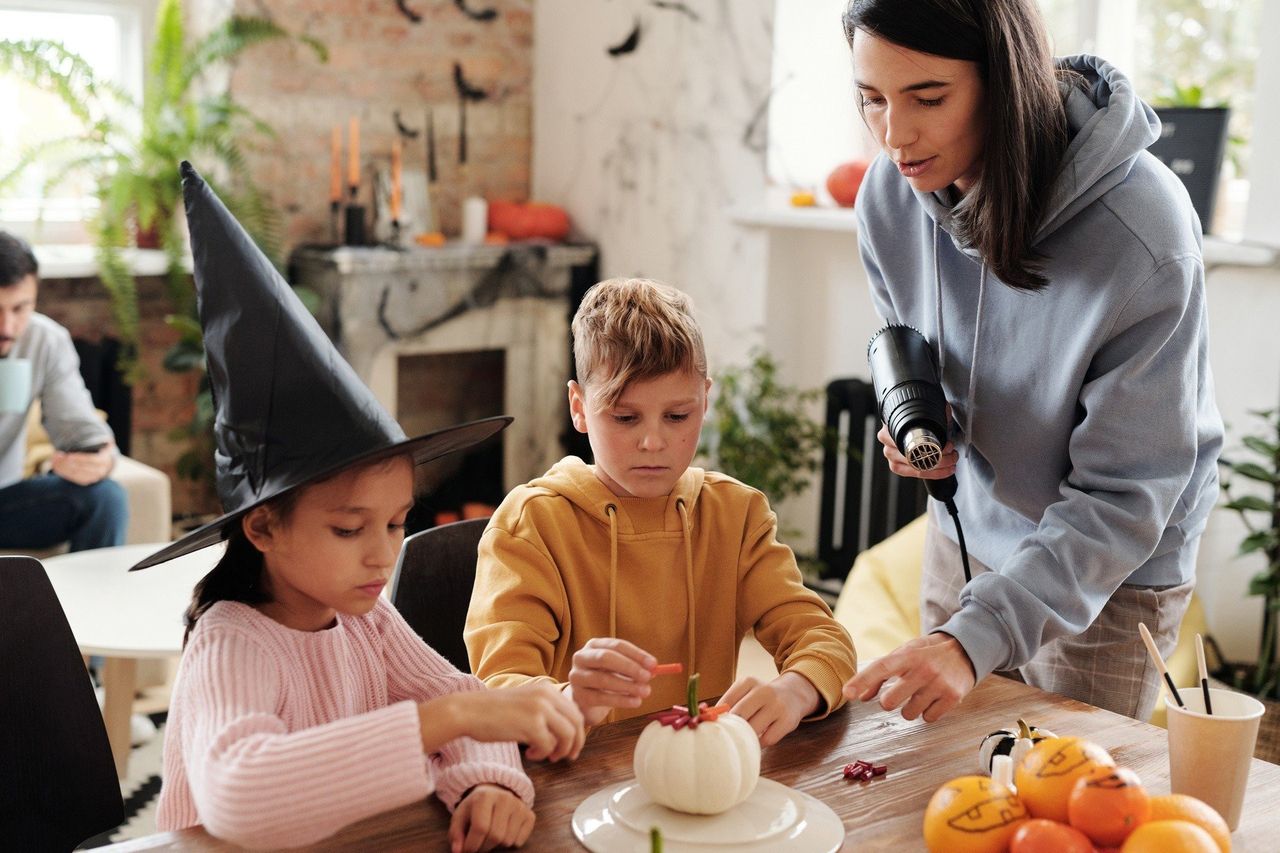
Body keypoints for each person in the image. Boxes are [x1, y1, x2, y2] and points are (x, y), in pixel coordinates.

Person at [150, 163, 585, 852]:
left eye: (396, 520)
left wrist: (486, 784)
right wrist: (447, 717)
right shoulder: (233, 642)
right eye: (349, 527)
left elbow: (467, 703)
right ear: (262, 524)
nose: (383, 553)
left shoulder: (367, 620)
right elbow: (240, 796)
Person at [839, 0, 1222, 724]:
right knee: (944, 780)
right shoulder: (891, 195)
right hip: (966, 528)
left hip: (1108, 571)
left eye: (928, 97)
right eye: (872, 99)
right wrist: (927, 431)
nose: (895, 135)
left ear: (1003, 81)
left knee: (1065, 803)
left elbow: (1123, 496)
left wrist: (971, 637)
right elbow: (919, 350)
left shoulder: (1141, 235)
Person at [465, 277, 857, 747]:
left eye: (677, 416)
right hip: (572, 781)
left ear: (705, 399)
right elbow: (499, 687)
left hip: (700, 768)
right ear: (579, 408)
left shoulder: (738, 515)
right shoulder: (532, 525)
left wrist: (796, 691)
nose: (653, 442)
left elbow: (823, 639)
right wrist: (573, 701)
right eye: (625, 417)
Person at [0, 231, 127, 552]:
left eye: (20, 308)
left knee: (105, 498)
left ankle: (92, 604)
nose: (7, 327)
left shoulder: (44, 341)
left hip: (6, 503)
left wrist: (99, 458)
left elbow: (80, 430)